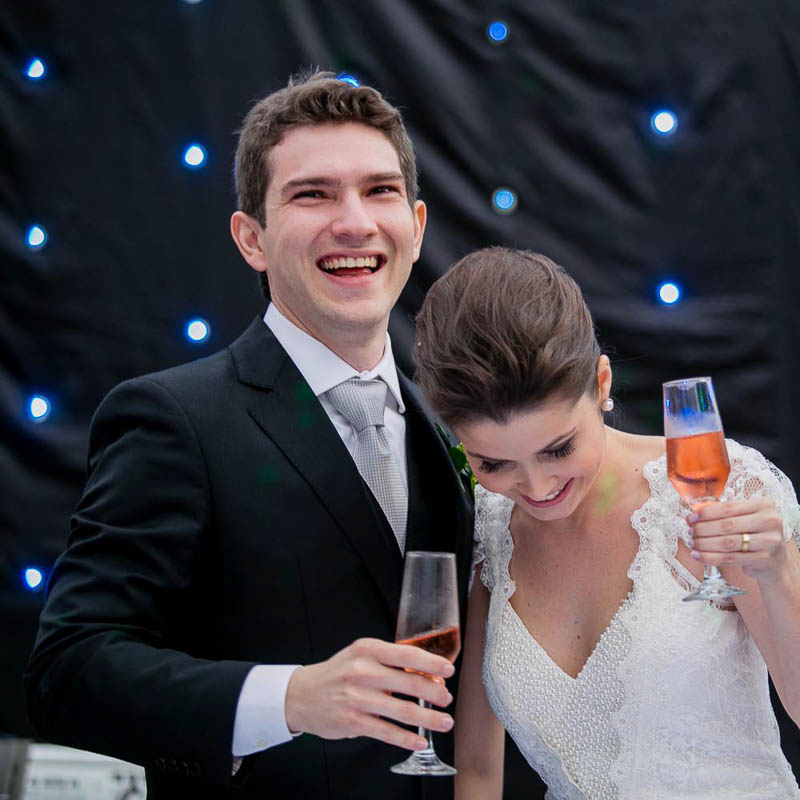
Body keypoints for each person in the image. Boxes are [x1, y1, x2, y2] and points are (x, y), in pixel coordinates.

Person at [24, 70, 473, 799]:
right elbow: (67, 674)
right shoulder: (173, 419)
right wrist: (290, 699)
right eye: (312, 194)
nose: (354, 222)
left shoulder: (453, 427)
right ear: (252, 239)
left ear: (417, 229)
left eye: (379, 190)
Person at [411, 247, 800, 798]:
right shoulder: (487, 531)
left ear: (602, 383)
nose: (536, 489)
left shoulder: (712, 490)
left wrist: (781, 577)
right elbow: (479, 773)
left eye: (558, 449)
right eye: (494, 464)